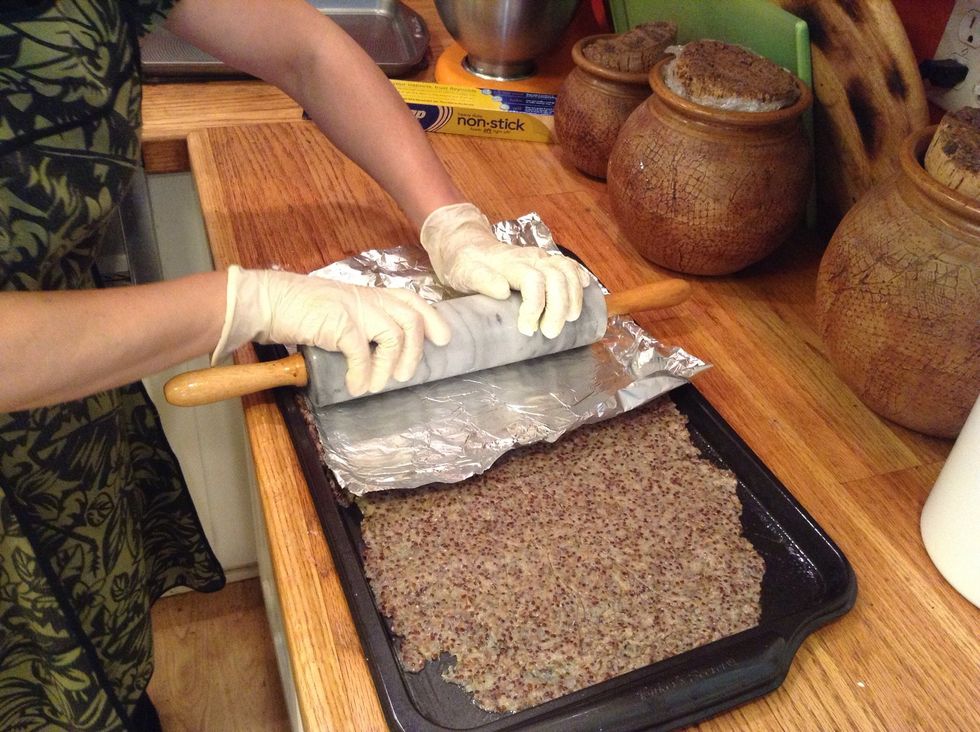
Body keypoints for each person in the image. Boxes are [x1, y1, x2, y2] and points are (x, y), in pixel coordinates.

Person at [0, 0, 589, 729]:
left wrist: (450, 222)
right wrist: (245, 302)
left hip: (71, 383)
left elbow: (305, 49)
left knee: (101, 659)